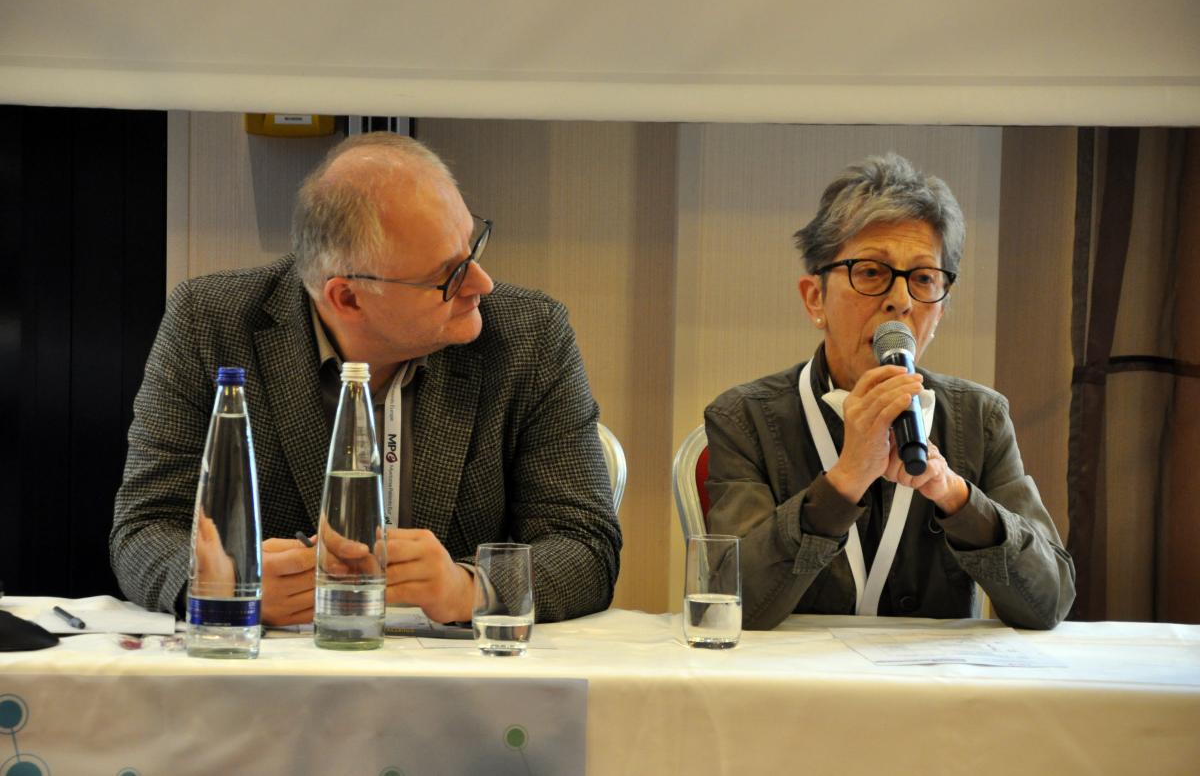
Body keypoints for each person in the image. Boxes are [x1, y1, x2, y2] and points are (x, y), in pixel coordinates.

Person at [112, 132, 621, 625]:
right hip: (281, 667)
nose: (481, 283)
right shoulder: (211, 324)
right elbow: (146, 528)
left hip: (462, 669)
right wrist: (225, 584)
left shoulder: (530, 335)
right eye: (447, 275)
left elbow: (584, 543)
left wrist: (470, 588)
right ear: (348, 298)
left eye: (473, 248)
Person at [704, 153, 1075, 630]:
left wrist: (957, 497)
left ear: (940, 310)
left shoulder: (980, 417)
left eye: (923, 279)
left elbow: (1049, 603)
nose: (900, 300)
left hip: (934, 677)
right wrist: (843, 481)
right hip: (795, 675)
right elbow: (728, 604)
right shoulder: (744, 417)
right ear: (815, 298)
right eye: (871, 272)